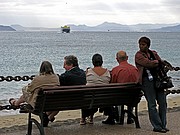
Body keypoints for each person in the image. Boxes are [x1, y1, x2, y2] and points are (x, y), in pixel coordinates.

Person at [135, 36, 170, 133]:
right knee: (152, 104)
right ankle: (157, 126)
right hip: (147, 81)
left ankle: (163, 124)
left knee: (163, 103)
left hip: (158, 80)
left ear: (148, 45)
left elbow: (159, 63)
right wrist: (157, 62)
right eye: (140, 44)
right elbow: (148, 63)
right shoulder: (138, 55)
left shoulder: (153, 53)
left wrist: (157, 62)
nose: (141, 46)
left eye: (143, 44)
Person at [9, 61, 60, 127]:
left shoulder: (38, 78)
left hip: (39, 105)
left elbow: (29, 89)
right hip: (52, 104)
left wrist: (25, 88)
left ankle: (15, 103)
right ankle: (48, 117)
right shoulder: (56, 77)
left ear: (41, 69)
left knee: (25, 92)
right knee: (32, 94)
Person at [102, 50, 139, 125]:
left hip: (120, 98)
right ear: (127, 58)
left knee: (112, 94)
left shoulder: (116, 70)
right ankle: (130, 117)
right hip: (134, 97)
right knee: (130, 92)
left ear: (117, 59)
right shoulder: (135, 69)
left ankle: (114, 116)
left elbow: (112, 84)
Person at [80, 53, 111, 125]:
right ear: (102, 62)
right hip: (104, 98)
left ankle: (83, 119)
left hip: (90, 98)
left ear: (92, 62)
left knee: (87, 95)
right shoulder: (107, 72)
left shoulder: (88, 71)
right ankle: (90, 118)